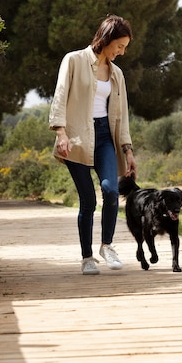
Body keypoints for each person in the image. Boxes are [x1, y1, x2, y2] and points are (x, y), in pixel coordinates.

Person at [49, 14, 137, 275]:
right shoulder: (74, 60)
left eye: (124, 48)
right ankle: (87, 257)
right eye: (119, 46)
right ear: (107, 39)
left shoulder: (116, 74)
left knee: (111, 192)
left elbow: (121, 115)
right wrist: (61, 133)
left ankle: (106, 246)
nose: (121, 52)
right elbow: (60, 95)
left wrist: (128, 150)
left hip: (104, 138)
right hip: (75, 137)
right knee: (87, 200)